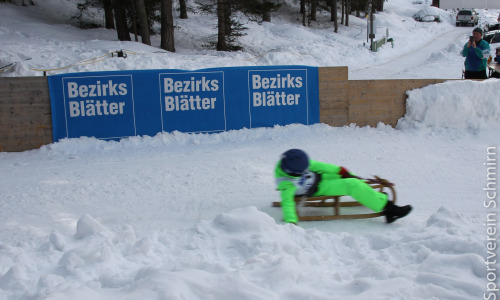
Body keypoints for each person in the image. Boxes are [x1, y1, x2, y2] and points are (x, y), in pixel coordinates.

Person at [275, 149, 412, 224]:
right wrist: (291, 221)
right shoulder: (286, 183)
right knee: (350, 184)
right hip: (315, 189)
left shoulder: (294, 161)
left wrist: (340, 170)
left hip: (317, 178)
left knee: (348, 177)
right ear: (291, 172)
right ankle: (389, 210)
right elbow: (287, 202)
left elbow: (320, 166)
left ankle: (373, 197)